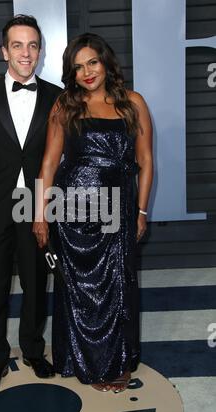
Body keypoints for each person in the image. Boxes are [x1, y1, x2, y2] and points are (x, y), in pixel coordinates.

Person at [33, 33, 153, 393]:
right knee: (78, 289)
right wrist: (39, 215)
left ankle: (115, 362)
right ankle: (81, 361)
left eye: (92, 62)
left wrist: (142, 210)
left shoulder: (133, 102)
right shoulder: (65, 105)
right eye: (78, 66)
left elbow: (145, 160)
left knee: (117, 285)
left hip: (117, 210)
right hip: (72, 211)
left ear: (106, 61)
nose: (86, 72)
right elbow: (50, 163)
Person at [0, 15, 61, 395]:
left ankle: (34, 351)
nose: (26, 52)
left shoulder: (55, 96)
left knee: (37, 285)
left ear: (39, 51)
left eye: (32, 45)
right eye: (18, 45)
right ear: (4, 51)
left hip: (36, 207)